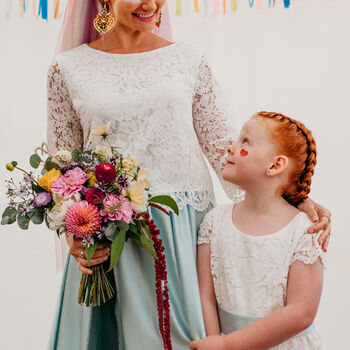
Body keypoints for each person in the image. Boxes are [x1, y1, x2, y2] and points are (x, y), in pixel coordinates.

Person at [47, 1, 331, 349]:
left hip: (182, 240)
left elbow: (225, 150)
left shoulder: (189, 60)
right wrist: (74, 236)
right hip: (109, 242)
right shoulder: (68, 68)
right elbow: (62, 171)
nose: (151, 4)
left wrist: (295, 199)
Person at [190, 112, 326, 350]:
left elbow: (301, 313)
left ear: (275, 165)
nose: (231, 148)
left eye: (245, 141)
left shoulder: (304, 231)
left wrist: (227, 345)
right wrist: (214, 342)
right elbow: (206, 297)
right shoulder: (214, 222)